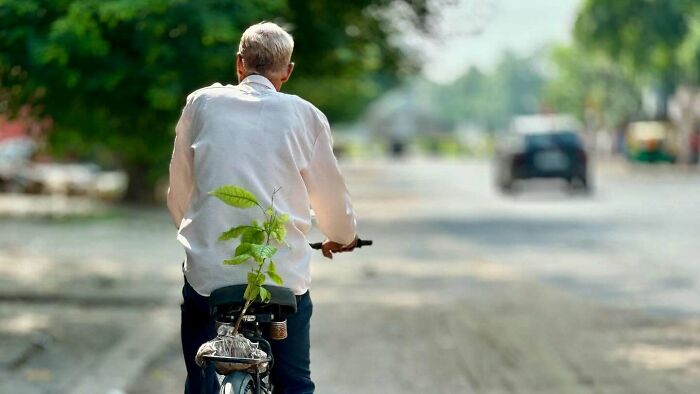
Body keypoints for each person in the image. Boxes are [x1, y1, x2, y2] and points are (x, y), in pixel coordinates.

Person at [167, 21, 358, 394]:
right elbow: (333, 204)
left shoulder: (201, 104)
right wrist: (342, 237)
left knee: (199, 378)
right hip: (281, 278)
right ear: (287, 71)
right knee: (295, 384)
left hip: (209, 277)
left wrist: (197, 233)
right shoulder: (307, 116)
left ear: (240, 64)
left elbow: (180, 191)